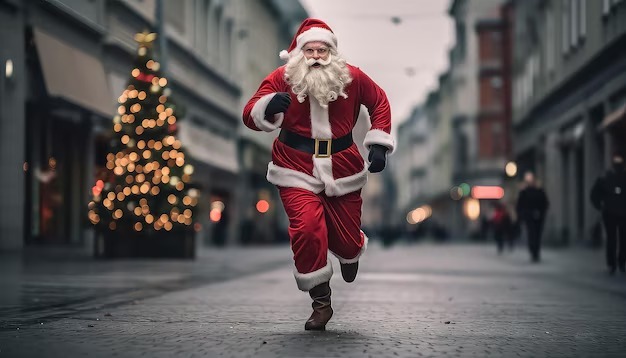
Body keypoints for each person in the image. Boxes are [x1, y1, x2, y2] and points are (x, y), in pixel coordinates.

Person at [242, 18, 394, 331]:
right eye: (309, 49)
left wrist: (378, 143)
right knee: (307, 228)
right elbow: (250, 112)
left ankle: (352, 251)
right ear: (298, 52)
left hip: (342, 167)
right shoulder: (282, 78)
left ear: (332, 52)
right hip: (294, 165)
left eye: (322, 50)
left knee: (347, 243)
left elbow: (379, 101)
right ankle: (321, 303)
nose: (315, 55)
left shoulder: (351, 76)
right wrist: (269, 105)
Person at [590, 154, 626, 275]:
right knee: (612, 239)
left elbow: (594, 194)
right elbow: (594, 194)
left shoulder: (616, 177)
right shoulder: (605, 178)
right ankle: (613, 263)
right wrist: (600, 206)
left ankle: (620, 262)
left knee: (622, 239)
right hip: (610, 213)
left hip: (620, 213)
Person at [516, 172, 549, 262]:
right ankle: (533, 251)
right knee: (532, 234)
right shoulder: (524, 192)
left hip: (539, 216)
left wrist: (541, 212)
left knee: (537, 234)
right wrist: (522, 215)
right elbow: (519, 205)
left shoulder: (539, 191)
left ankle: (536, 252)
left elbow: (545, 203)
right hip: (529, 216)